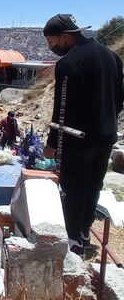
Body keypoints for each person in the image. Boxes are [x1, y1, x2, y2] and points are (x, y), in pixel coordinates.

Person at [41, 14, 123, 254]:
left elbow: (63, 109)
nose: (51, 46)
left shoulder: (69, 64)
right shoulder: (112, 57)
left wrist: (52, 143)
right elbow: (119, 98)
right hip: (107, 135)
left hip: (78, 140)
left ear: (66, 37)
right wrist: (107, 121)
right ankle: (84, 234)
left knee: (72, 189)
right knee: (93, 187)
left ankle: (73, 241)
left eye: (52, 41)